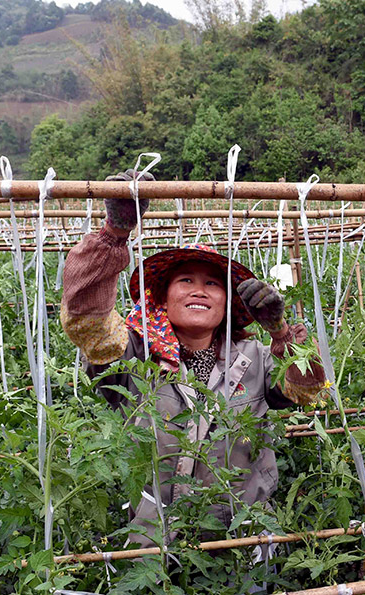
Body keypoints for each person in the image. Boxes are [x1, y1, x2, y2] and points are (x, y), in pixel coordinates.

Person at [60, 169, 325, 548]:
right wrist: (113, 235)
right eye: (186, 281)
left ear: (229, 305)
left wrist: (282, 334)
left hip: (240, 541)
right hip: (155, 547)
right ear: (162, 299)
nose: (199, 291)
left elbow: (307, 390)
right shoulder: (134, 353)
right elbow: (86, 317)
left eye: (213, 284)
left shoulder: (256, 357)